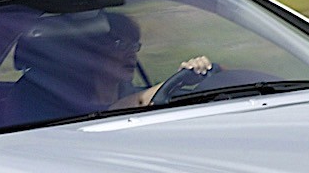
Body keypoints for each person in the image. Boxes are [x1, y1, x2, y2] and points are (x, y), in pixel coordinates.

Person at [13, 10, 212, 120]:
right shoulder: (55, 100)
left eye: (134, 45)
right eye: (120, 44)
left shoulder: (130, 91)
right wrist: (177, 79)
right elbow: (113, 111)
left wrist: (197, 74)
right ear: (91, 51)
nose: (131, 52)